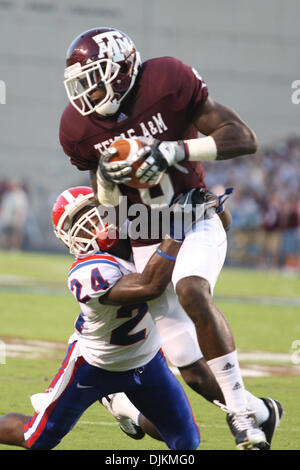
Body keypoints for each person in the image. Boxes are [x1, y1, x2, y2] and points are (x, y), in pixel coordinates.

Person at [59, 28, 283, 450]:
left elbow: (243, 138)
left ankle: (243, 420)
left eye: (94, 78)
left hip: (194, 210)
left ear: (122, 70)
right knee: (190, 367)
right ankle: (264, 411)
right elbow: (108, 204)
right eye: (80, 83)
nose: (86, 94)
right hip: (144, 231)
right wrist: (108, 176)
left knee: (191, 289)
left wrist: (174, 151)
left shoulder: (166, 80)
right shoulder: (77, 127)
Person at [0, 185, 208, 451]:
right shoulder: (87, 271)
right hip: (95, 364)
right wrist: (178, 226)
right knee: (38, 439)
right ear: (68, 237)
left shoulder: (141, 241)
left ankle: (122, 405)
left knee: (185, 442)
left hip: (147, 360)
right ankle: (113, 397)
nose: (92, 220)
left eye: (93, 210)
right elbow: (150, 285)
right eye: (79, 219)